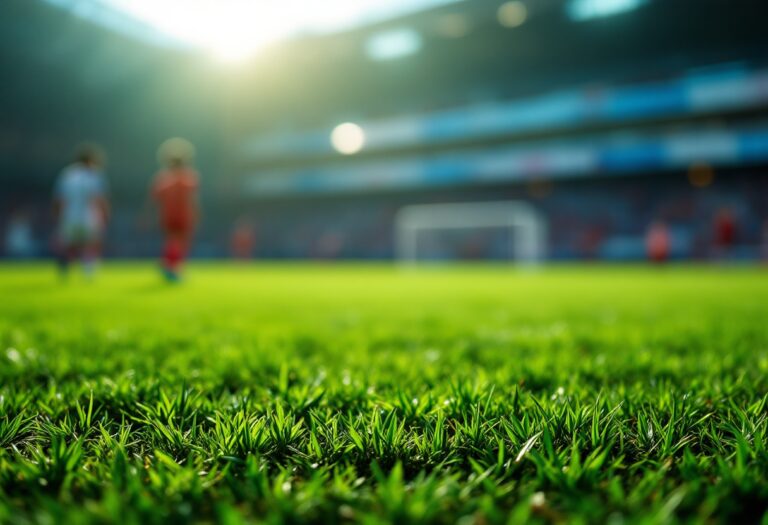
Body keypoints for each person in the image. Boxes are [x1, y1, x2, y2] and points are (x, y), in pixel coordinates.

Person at [53, 143, 109, 279]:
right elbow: (99, 198)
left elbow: (59, 199)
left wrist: (58, 216)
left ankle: (64, 268)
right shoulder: (94, 175)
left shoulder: (68, 174)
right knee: (91, 244)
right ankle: (88, 271)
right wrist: (105, 215)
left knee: (69, 244)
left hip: (69, 216)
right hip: (89, 216)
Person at [149, 138, 199, 282]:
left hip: (167, 215)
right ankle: (173, 268)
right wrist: (196, 214)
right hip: (183, 215)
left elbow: (154, 199)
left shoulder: (163, 177)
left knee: (171, 241)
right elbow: (192, 199)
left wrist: (149, 215)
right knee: (182, 242)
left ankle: (169, 266)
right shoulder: (189, 176)